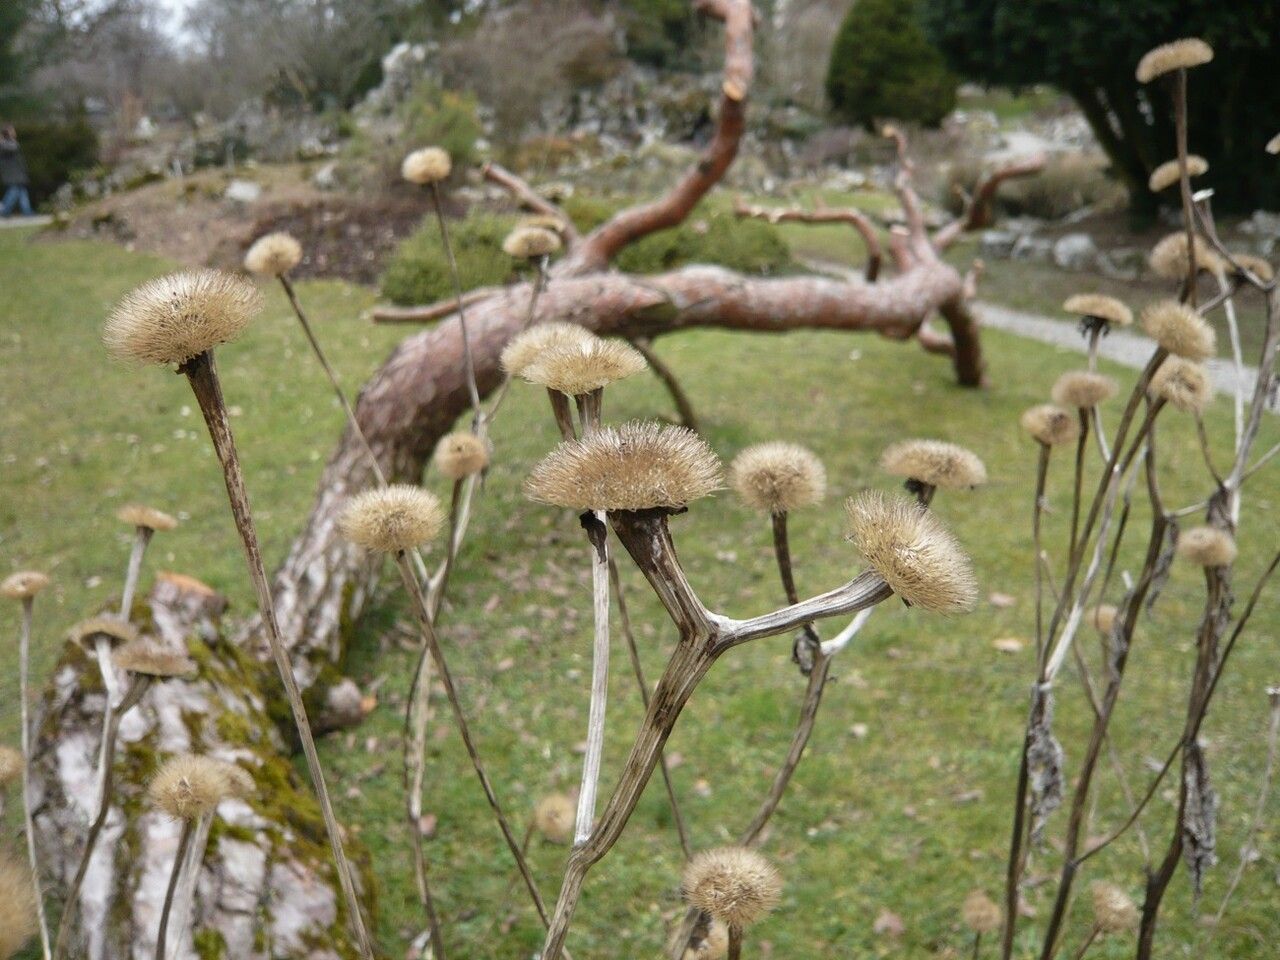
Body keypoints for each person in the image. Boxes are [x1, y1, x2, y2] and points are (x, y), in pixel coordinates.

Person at [0, 126, 33, 217]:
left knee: (22, 192)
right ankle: (3, 210)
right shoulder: (5, 144)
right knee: (14, 191)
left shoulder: (6, 143)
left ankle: (27, 211)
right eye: (12, 131)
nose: (14, 133)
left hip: (17, 173)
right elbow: (14, 147)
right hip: (12, 174)